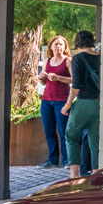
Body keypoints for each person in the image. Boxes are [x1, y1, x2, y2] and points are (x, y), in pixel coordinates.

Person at [63, 30, 100, 178]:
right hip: (99, 103)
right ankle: (96, 172)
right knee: (95, 139)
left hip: (84, 102)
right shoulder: (101, 58)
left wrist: (67, 105)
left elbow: (76, 86)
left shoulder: (77, 59)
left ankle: (74, 174)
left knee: (71, 135)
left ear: (77, 43)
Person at [36, 35, 72, 169]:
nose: (58, 47)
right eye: (56, 44)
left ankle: (67, 160)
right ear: (51, 47)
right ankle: (52, 160)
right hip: (46, 100)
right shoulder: (47, 61)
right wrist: (41, 78)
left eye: (61, 44)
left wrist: (58, 78)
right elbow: (44, 82)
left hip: (62, 100)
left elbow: (74, 80)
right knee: (49, 131)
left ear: (65, 47)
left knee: (63, 131)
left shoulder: (68, 61)